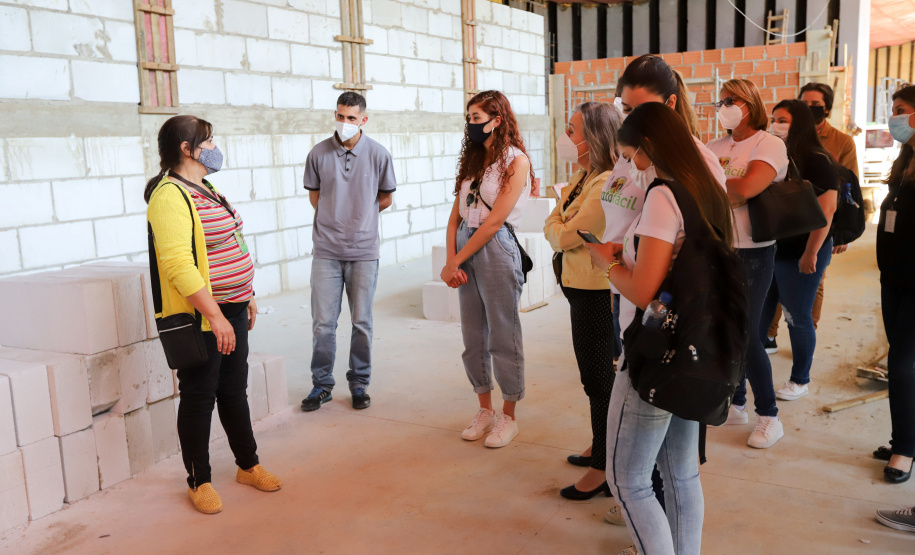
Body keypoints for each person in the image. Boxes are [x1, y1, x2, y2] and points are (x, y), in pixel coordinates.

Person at [586, 102, 734, 555]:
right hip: (696, 349)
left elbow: (644, 289)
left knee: (627, 478)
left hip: (655, 352)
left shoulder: (663, 196)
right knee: (681, 472)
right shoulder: (705, 188)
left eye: (632, 155)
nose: (630, 166)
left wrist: (607, 259)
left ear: (650, 147)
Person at [145, 115, 281, 515]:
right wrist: (216, 317)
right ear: (186, 148)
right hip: (204, 317)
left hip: (234, 307)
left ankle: (247, 465)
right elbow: (179, 265)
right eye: (207, 141)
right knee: (200, 396)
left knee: (233, 390)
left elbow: (228, 244)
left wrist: (247, 293)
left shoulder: (204, 186)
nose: (214, 147)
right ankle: (198, 480)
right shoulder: (169, 195)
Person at [441, 90, 533, 449]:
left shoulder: (516, 161)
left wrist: (457, 259)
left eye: (477, 118)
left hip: (494, 246)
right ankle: (485, 410)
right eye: (469, 118)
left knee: (503, 335)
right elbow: (454, 219)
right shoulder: (473, 159)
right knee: (473, 336)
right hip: (466, 241)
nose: (471, 125)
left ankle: (508, 416)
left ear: (497, 120)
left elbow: (494, 222)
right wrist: (451, 261)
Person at [543, 101, 621, 499]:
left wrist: (557, 221)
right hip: (579, 288)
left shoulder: (606, 181)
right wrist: (559, 219)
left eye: (572, 131)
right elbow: (559, 220)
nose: (566, 138)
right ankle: (601, 442)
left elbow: (563, 234)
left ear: (593, 138)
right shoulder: (584, 175)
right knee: (593, 377)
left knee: (598, 377)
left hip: (595, 293)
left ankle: (603, 468)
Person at [300, 92, 396, 412]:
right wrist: (335, 219)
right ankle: (322, 384)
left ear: (363, 120)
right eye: (340, 116)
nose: (344, 123)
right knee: (323, 323)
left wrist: (360, 219)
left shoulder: (379, 155)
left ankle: (359, 382)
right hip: (326, 250)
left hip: (364, 251)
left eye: (351, 118)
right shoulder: (318, 154)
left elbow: (385, 198)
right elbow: (316, 197)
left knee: (361, 322)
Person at [706, 79, 789, 449]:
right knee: (724, 329)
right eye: (721, 101)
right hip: (718, 246)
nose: (724, 106)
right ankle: (736, 401)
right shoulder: (714, 146)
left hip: (754, 250)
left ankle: (769, 415)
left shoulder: (768, 144)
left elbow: (745, 189)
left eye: (732, 100)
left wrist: (709, 193)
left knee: (748, 333)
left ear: (751, 103)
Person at [764, 82, 860, 353]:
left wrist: (838, 236)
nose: (808, 108)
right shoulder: (780, 145)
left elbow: (845, 192)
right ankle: (771, 334)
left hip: (817, 230)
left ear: (826, 108)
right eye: (804, 103)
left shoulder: (838, 143)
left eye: (814, 105)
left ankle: (805, 337)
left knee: (809, 288)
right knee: (776, 289)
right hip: (785, 231)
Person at [759, 100, 838, 405]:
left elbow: (827, 210)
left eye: (783, 120)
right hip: (776, 248)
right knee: (763, 314)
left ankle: (800, 379)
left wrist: (811, 252)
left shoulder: (817, 158)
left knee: (797, 315)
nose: (776, 125)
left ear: (800, 123)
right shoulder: (779, 155)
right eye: (774, 119)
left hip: (802, 250)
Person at [872, 84, 915, 484]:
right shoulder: (906, 161)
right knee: (901, 362)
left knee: (903, 366)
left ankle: (905, 449)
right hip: (895, 278)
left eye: (901, 110)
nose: (894, 118)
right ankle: (904, 436)